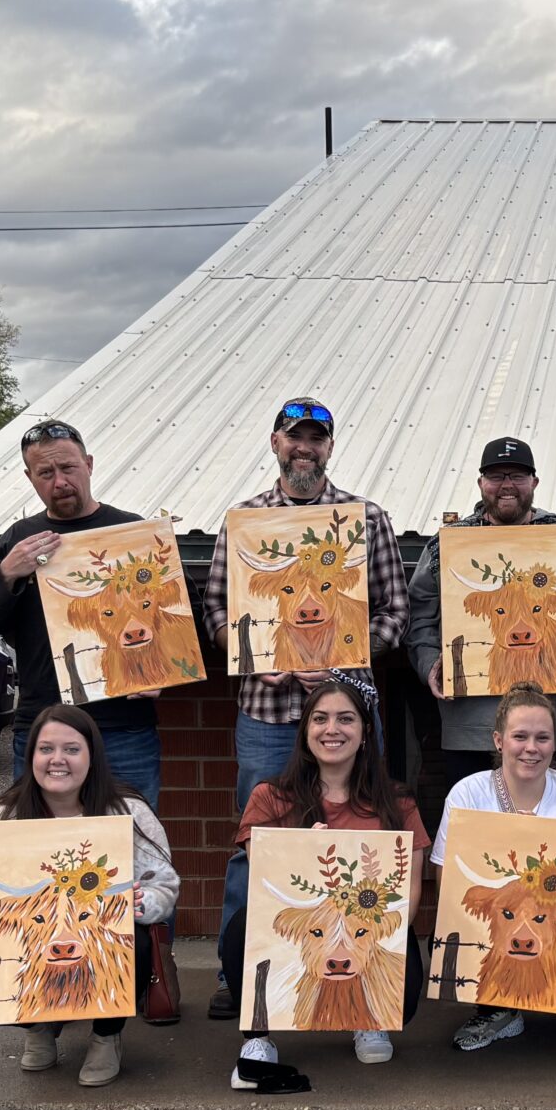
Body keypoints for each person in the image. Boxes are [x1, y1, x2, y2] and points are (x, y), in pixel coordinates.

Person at [201, 396, 410, 1017]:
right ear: (275, 443)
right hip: (267, 712)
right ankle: (238, 970)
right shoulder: (244, 522)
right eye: (295, 436)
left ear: (329, 447)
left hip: (347, 714)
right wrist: (260, 655)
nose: (304, 448)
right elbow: (216, 614)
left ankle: (363, 972)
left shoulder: (366, 520)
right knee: (258, 842)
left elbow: (395, 615)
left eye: (316, 438)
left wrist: (342, 655)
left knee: (363, 840)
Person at [0, 706, 179, 1087]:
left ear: (92, 757)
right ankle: (38, 1026)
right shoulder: (0, 819)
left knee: (130, 945)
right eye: (46, 749)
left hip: (94, 939)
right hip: (33, 941)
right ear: (31, 756)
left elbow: (164, 885)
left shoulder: (128, 811)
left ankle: (106, 1036)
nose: (58, 759)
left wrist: (142, 903)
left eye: (71, 749)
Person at [223, 677, 430, 1075]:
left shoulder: (397, 802)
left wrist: (377, 935)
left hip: (364, 934)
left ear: (365, 732)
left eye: (345, 719)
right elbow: (265, 886)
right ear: (305, 732)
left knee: (402, 959)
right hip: (303, 932)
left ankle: (370, 1019)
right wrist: (302, 849)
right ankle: (257, 1036)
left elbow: (410, 893)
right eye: (320, 719)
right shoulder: (269, 796)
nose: (332, 729)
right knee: (241, 927)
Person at [0, 418, 171, 805]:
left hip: (123, 726)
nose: (60, 482)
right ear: (30, 478)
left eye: (68, 468)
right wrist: (5, 575)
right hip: (41, 726)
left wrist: (165, 668)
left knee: (132, 835)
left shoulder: (134, 532)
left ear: (88, 464)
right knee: (43, 838)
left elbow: (181, 614)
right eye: (45, 473)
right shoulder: (17, 540)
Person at [408, 435, 556, 782]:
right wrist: (430, 665)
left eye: (517, 476)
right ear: (480, 483)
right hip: (472, 726)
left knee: (550, 815)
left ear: (534, 482)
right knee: (473, 815)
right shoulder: (447, 544)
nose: (506, 485)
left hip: (549, 727)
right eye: (496, 476)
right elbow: (418, 617)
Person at [431, 685, 556, 1053]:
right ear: (499, 741)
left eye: (542, 738)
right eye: (520, 737)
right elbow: (446, 878)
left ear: (555, 743)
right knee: (475, 912)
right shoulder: (467, 794)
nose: (532, 748)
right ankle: (497, 1010)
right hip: (501, 918)